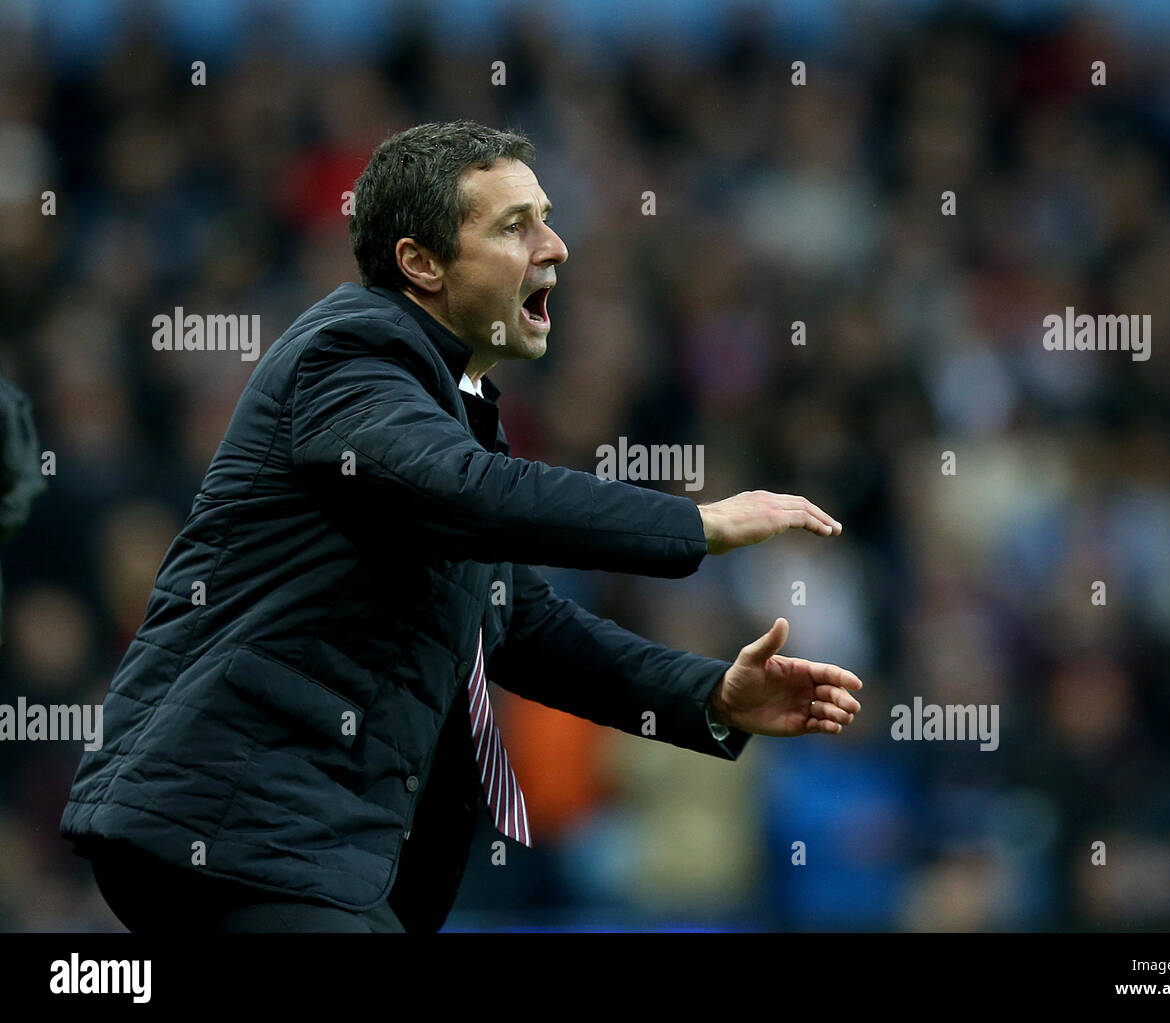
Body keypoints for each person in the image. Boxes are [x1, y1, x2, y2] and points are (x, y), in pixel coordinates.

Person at [60, 120, 863, 932]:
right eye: (516, 226)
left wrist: (711, 695)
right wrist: (696, 523)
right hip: (232, 830)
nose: (555, 246)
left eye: (547, 217)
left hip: (305, 857)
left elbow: (526, 627)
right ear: (421, 262)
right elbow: (471, 491)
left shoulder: (450, 408)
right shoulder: (352, 355)